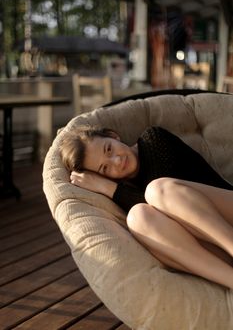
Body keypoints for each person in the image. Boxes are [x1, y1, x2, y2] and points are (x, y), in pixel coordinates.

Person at [60, 124, 233, 289]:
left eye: (109, 149)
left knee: (156, 190)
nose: (117, 160)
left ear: (113, 136)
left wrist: (107, 188)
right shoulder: (125, 194)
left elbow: (164, 199)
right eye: (105, 168)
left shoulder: (154, 140)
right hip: (216, 250)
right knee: (138, 217)